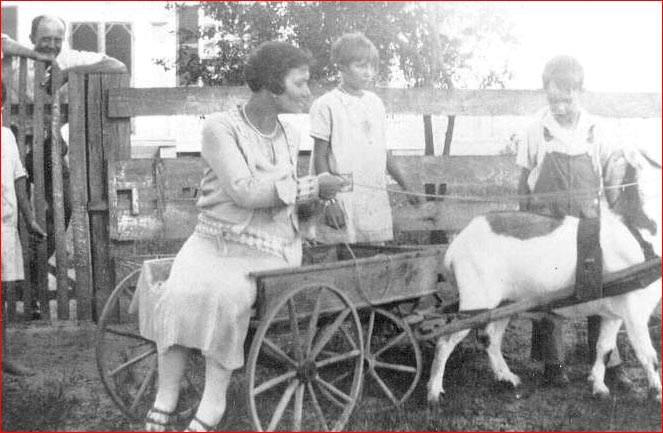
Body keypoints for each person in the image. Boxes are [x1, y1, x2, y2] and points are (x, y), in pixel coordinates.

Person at [135, 41, 347, 432]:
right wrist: (313, 185)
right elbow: (244, 192)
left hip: (271, 245)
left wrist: (316, 204)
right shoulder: (220, 127)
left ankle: (213, 401)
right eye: (300, 83)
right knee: (177, 291)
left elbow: (284, 195)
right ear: (271, 84)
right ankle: (166, 396)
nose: (308, 91)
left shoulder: (288, 134)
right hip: (212, 239)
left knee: (229, 294)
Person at [516, 55, 633, 389]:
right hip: (547, 223)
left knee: (601, 288)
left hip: (587, 222)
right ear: (546, 93)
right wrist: (525, 220)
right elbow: (523, 180)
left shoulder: (596, 130)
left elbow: (612, 178)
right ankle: (553, 364)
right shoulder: (536, 129)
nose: (561, 107)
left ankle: (609, 364)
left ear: (580, 92)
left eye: (567, 99)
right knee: (549, 289)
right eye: (554, 100)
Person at [308, 32, 422, 245]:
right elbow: (319, 157)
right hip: (342, 196)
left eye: (372, 66)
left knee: (374, 252)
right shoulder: (327, 105)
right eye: (360, 66)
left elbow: (382, 150)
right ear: (341, 66)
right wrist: (329, 201)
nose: (368, 72)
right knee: (341, 252)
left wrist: (406, 185)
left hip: (372, 196)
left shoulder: (375, 103)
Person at [2, 82, 47, 375]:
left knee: (2, 295)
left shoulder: (6, 136)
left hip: (5, 227)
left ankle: (3, 357)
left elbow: (19, 177)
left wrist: (29, 219)